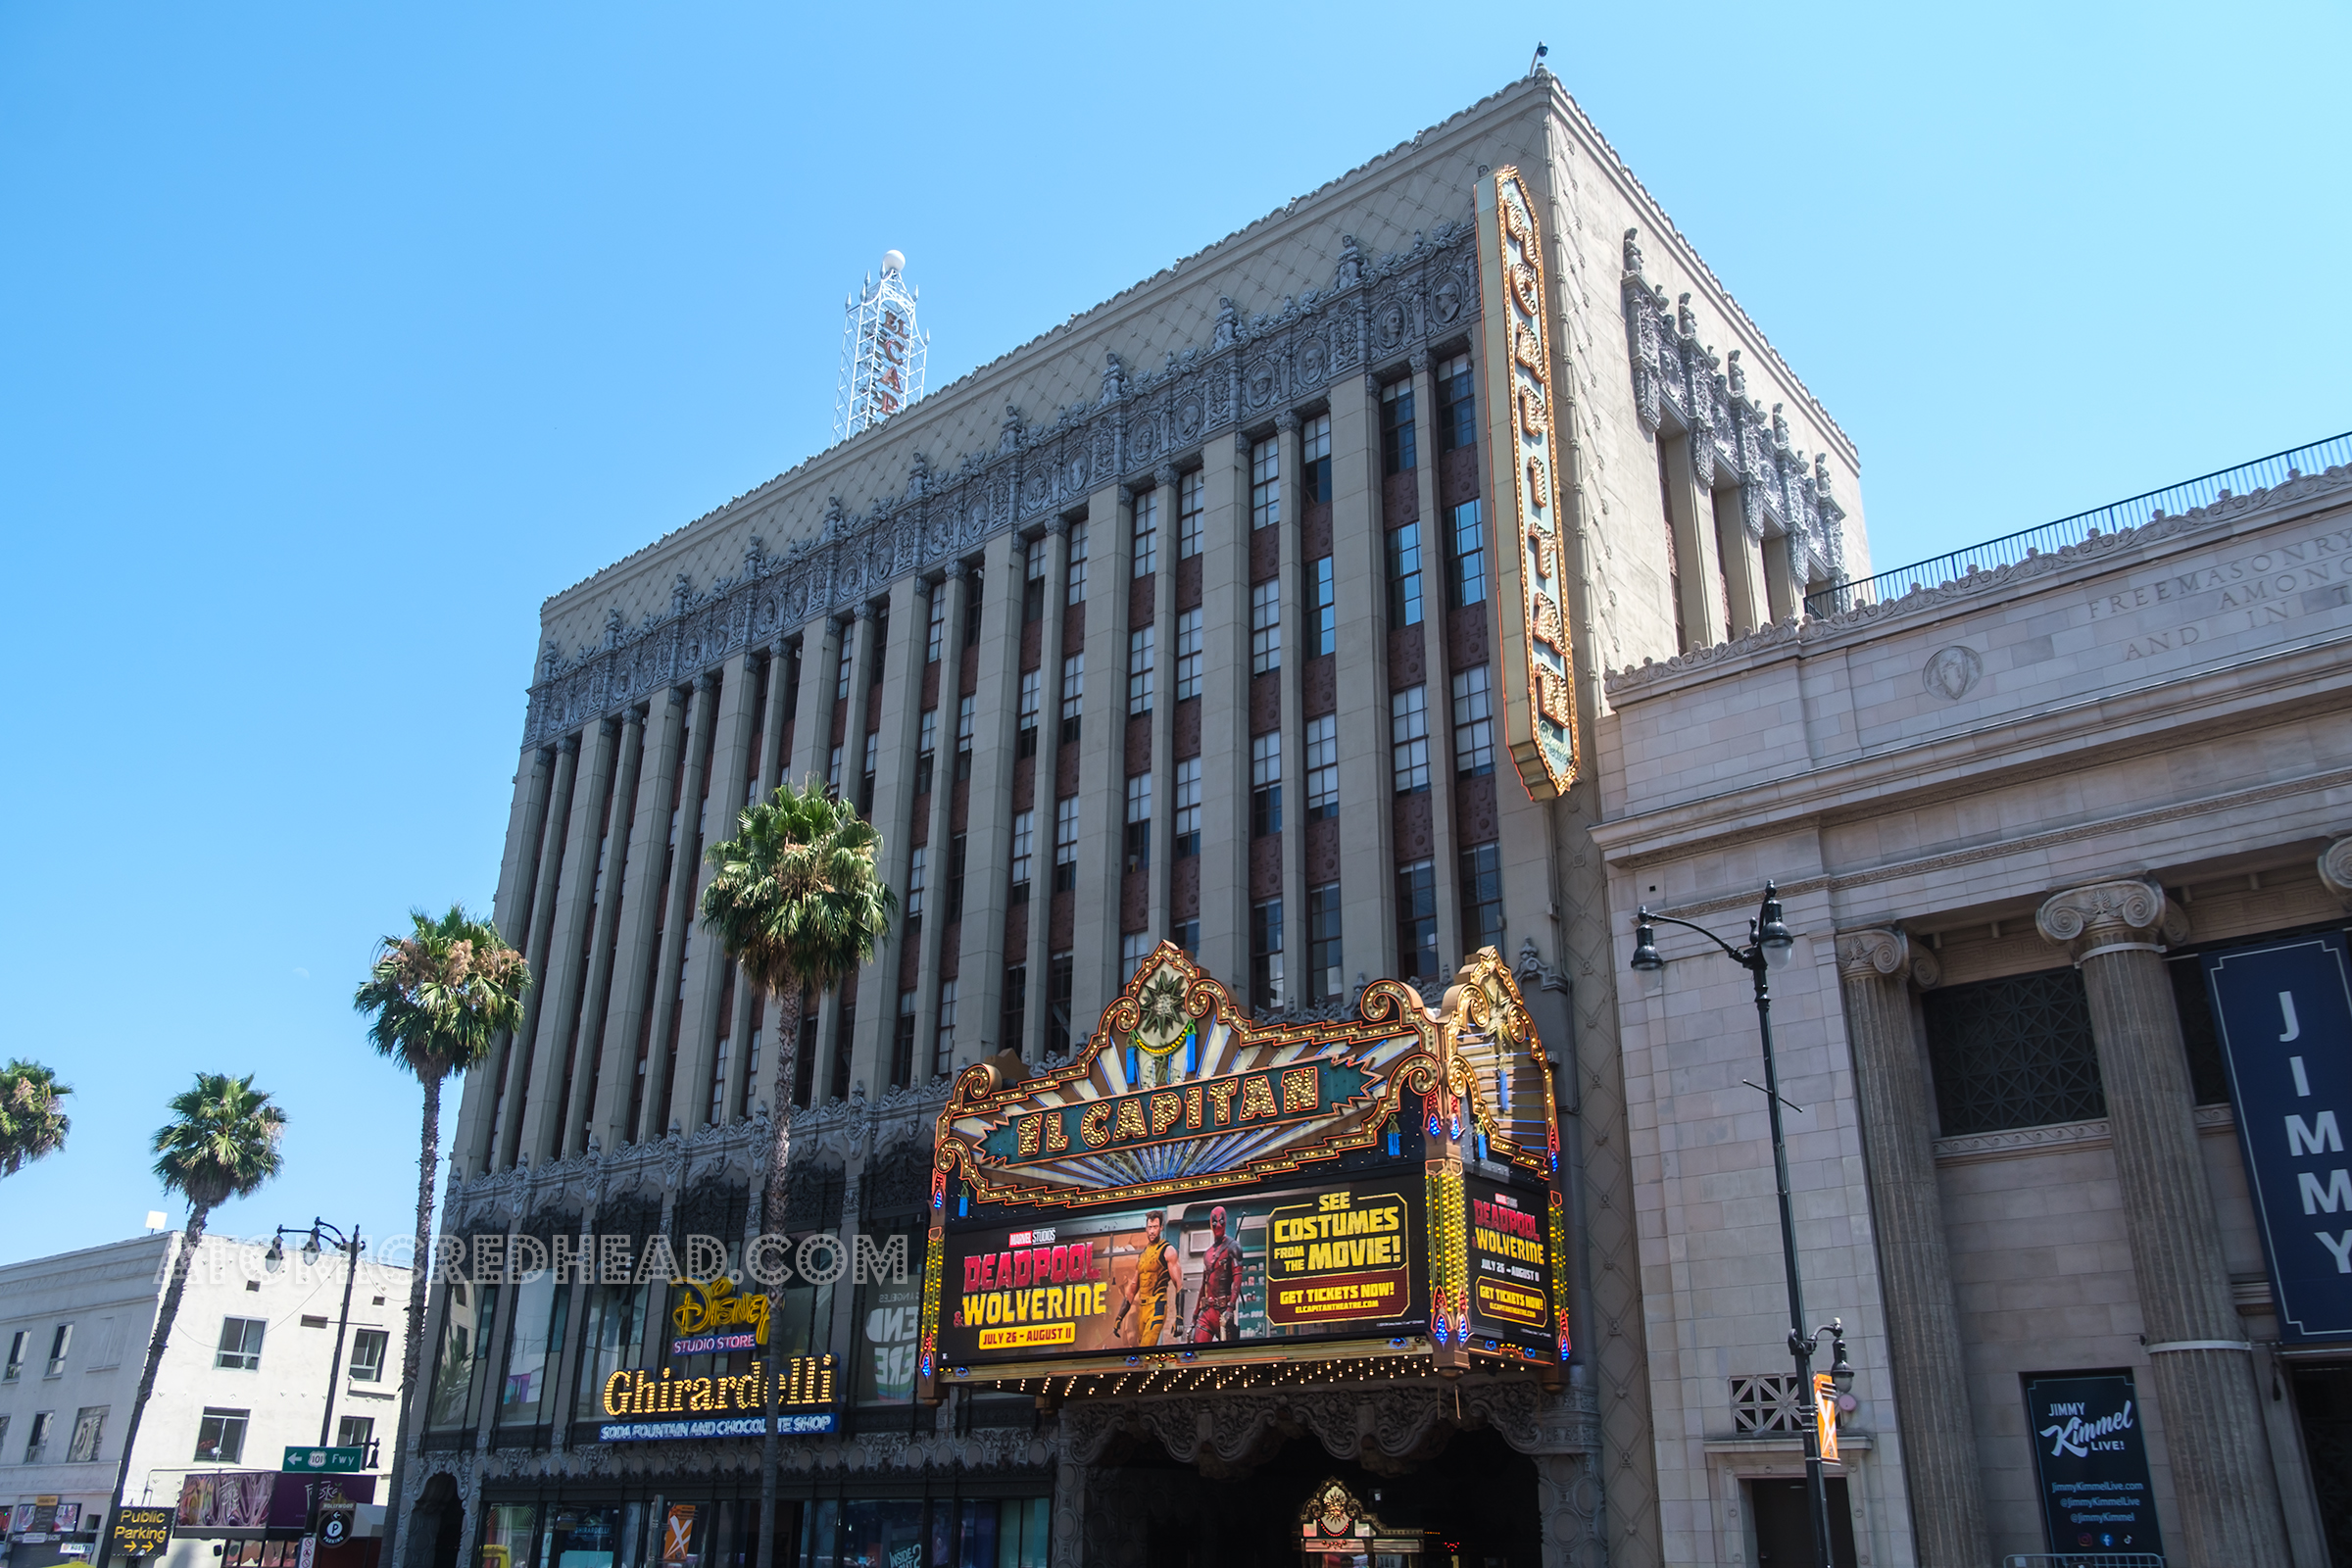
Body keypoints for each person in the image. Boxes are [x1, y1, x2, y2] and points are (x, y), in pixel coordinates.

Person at [1190, 1205, 1244, 1343]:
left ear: (1225, 1221)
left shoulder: (1233, 1247)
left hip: (1223, 1312)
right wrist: (1195, 1316)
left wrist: (1230, 1308)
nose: (1218, 1225)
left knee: (1228, 1358)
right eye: (1214, 1221)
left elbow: (1237, 1280)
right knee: (1197, 1354)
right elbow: (1204, 1285)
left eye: (1221, 1221)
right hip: (1207, 1312)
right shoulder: (1207, 1253)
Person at [1132, 1210, 1183, 1346]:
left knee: (1145, 1349)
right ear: (1146, 1229)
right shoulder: (1143, 1255)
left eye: (1155, 1227)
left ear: (1161, 1227)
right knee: (1138, 1352)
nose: (1152, 1231)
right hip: (1142, 1308)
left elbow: (1179, 1285)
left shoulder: (1168, 1250)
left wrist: (1179, 1317)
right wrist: (1119, 1317)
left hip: (1158, 1304)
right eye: (1150, 1227)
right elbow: (1132, 1288)